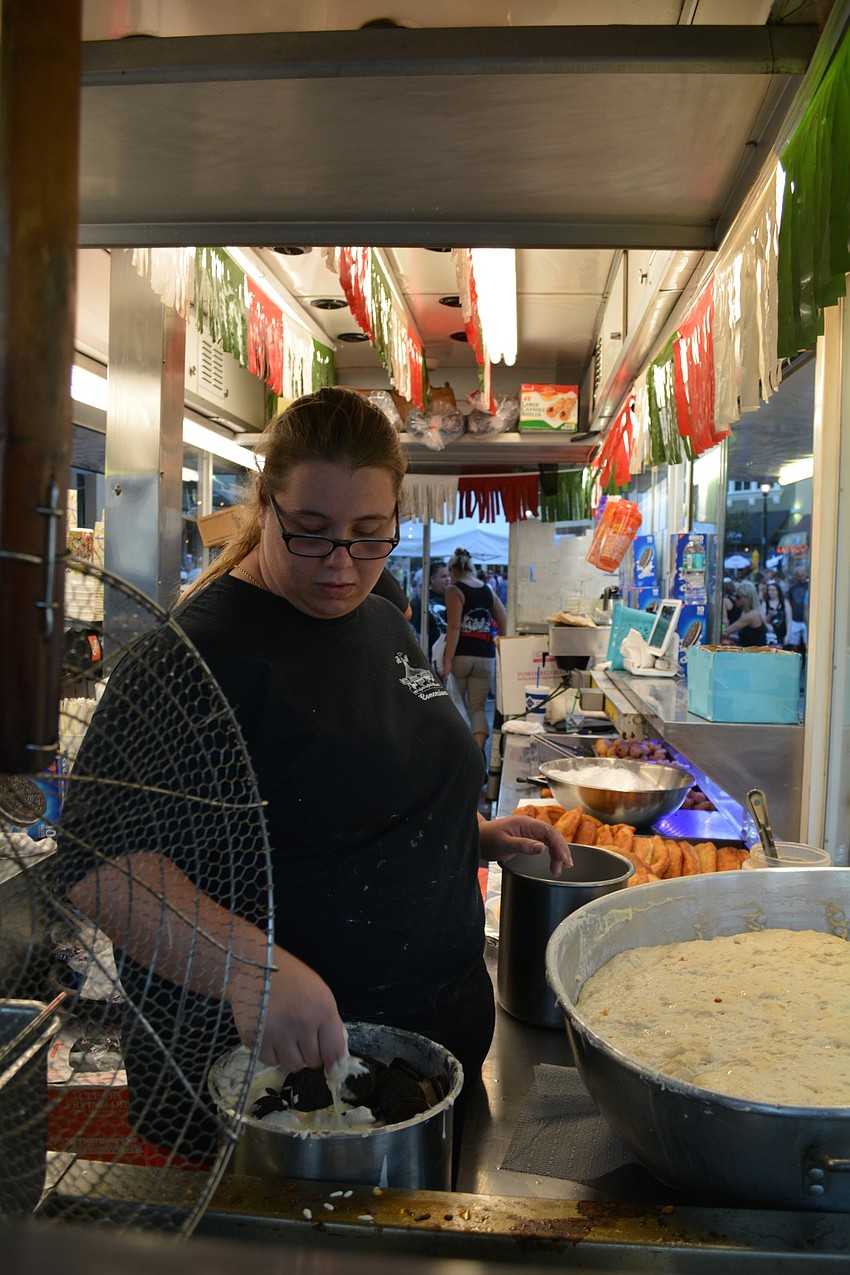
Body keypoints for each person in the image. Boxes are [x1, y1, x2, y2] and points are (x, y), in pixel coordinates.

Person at [60, 387, 571, 1164]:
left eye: (370, 534)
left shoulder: (380, 611)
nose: (342, 563)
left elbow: (347, 787)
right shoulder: (194, 660)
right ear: (265, 506)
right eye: (312, 532)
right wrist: (246, 966)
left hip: (429, 1065)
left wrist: (468, 834)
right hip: (279, 1096)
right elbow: (99, 867)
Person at [442, 546, 507, 752]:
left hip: (462, 655)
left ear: (453, 570)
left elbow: (454, 628)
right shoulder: (488, 590)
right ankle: (478, 754)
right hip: (485, 656)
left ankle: (460, 756)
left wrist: (446, 661)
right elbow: (503, 617)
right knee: (478, 708)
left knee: (456, 708)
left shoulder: (455, 591)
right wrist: (500, 646)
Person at [409, 560, 450, 659]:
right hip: (430, 657)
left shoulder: (454, 600)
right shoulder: (421, 603)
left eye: (449, 576)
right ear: (432, 579)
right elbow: (414, 633)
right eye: (443, 576)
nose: (448, 579)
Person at [721, 580, 769, 646]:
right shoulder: (747, 613)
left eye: (738, 597)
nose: (735, 599)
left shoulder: (752, 615)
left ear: (747, 598)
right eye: (735, 596)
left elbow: (725, 632)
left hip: (755, 654)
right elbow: (744, 639)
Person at [762, 578, 792, 647]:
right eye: (769, 590)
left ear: (778, 591)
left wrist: (788, 635)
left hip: (782, 634)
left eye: (773, 590)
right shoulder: (765, 603)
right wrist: (769, 615)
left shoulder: (785, 603)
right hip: (769, 635)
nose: (770, 592)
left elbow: (789, 621)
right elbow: (763, 621)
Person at [786, 565, 809, 654]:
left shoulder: (809, 586)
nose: (801, 577)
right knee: (794, 645)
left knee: (807, 644)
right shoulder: (793, 588)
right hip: (795, 618)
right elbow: (790, 602)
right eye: (799, 575)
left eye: (802, 575)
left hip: (806, 619)